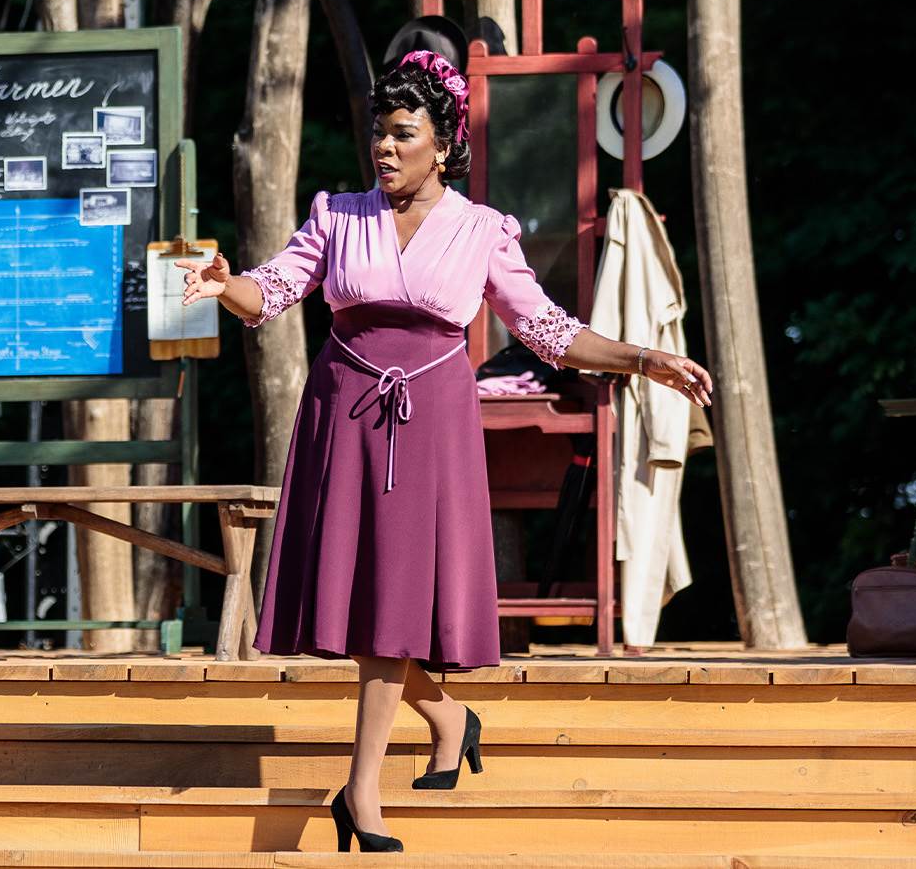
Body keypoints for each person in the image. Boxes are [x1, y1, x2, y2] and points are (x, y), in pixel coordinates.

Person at [178, 51, 712, 853]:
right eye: (379, 132)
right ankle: (448, 717)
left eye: (403, 133)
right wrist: (225, 285)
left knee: (392, 604)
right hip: (343, 412)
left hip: (430, 423)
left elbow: (549, 331)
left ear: (445, 142)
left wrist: (644, 358)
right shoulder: (337, 215)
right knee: (361, 603)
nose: (384, 147)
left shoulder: (482, 230)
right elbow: (273, 290)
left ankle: (361, 790)